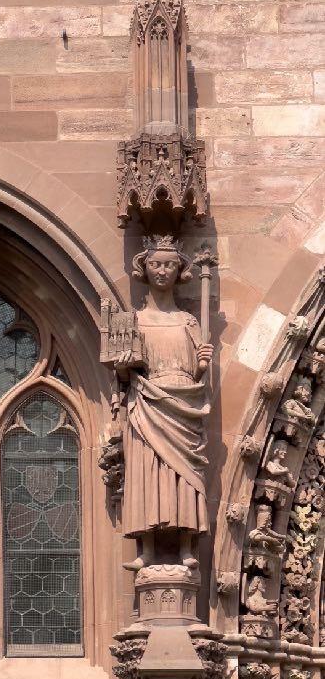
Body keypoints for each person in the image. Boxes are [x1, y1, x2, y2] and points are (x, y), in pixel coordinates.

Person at [115, 235, 212, 569]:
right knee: (147, 470)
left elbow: (200, 374)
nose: (162, 271)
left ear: (179, 270)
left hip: (182, 399)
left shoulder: (188, 322)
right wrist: (124, 364)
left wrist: (202, 363)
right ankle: (146, 550)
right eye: (155, 264)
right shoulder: (134, 320)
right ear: (144, 268)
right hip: (148, 398)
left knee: (185, 474)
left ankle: (186, 545)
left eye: (169, 265)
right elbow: (122, 375)